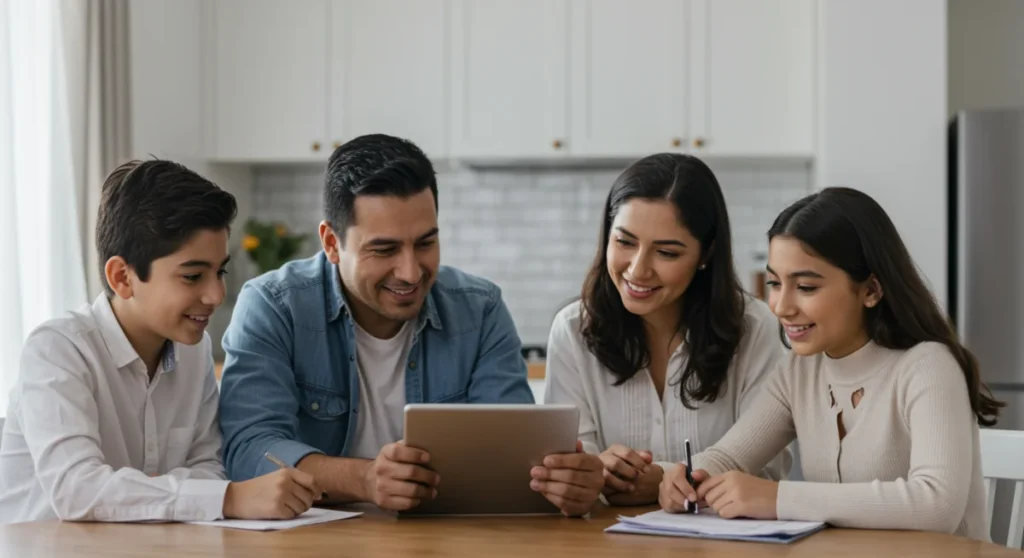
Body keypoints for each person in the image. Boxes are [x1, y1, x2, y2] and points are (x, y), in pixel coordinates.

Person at [218, 134, 604, 516]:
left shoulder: (481, 309)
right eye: (384, 249)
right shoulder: (273, 306)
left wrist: (563, 482)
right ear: (332, 242)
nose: (410, 272)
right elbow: (249, 449)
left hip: (445, 539)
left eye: (425, 243)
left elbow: (515, 460)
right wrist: (365, 479)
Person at [658, 187, 1001, 541]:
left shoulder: (928, 367)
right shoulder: (798, 372)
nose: (781, 306)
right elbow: (730, 456)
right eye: (775, 283)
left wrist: (779, 498)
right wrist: (691, 475)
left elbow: (937, 504)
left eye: (805, 286)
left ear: (871, 290)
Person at [0, 160, 321, 524]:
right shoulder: (57, 351)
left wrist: (140, 492)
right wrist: (227, 497)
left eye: (220, 272)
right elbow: (78, 491)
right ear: (123, 277)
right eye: (193, 276)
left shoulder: (193, 349)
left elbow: (208, 468)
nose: (216, 295)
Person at [544, 153, 791, 507]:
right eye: (624, 242)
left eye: (666, 253)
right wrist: (589, 477)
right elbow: (572, 462)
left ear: (705, 255)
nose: (638, 270)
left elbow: (766, 472)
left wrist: (662, 480)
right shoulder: (572, 331)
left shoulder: (755, 330)